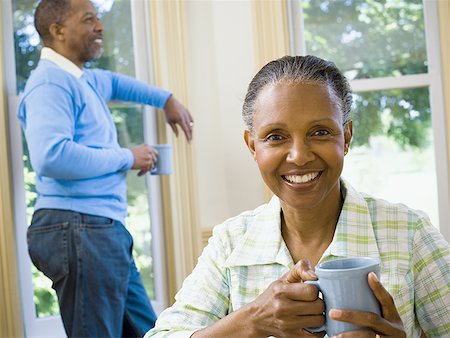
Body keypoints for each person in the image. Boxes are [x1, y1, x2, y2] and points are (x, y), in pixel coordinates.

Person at [145, 55, 450, 338]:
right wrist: (252, 320)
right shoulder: (231, 244)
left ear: (346, 137)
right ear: (253, 146)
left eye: (320, 132)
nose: (299, 157)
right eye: (275, 137)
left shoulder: (408, 233)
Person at [17, 0, 194, 337]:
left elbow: (116, 83)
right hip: (78, 226)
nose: (99, 26)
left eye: (98, 18)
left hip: (99, 230)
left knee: (147, 331)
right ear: (57, 31)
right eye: (88, 19)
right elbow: (51, 156)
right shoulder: (50, 83)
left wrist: (166, 99)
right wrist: (128, 157)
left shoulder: (83, 80)